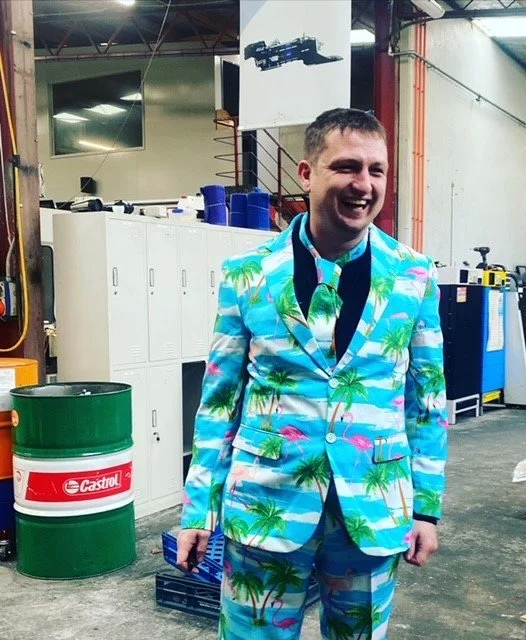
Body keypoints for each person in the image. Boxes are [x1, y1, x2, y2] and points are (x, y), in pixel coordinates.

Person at [177, 107, 448, 639]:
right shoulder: (248, 274)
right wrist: (198, 509)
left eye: (376, 170)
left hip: (371, 506)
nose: (363, 185)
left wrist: (426, 509)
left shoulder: (414, 275)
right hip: (265, 504)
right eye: (347, 167)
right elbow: (220, 399)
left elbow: (428, 400)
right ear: (306, 173)